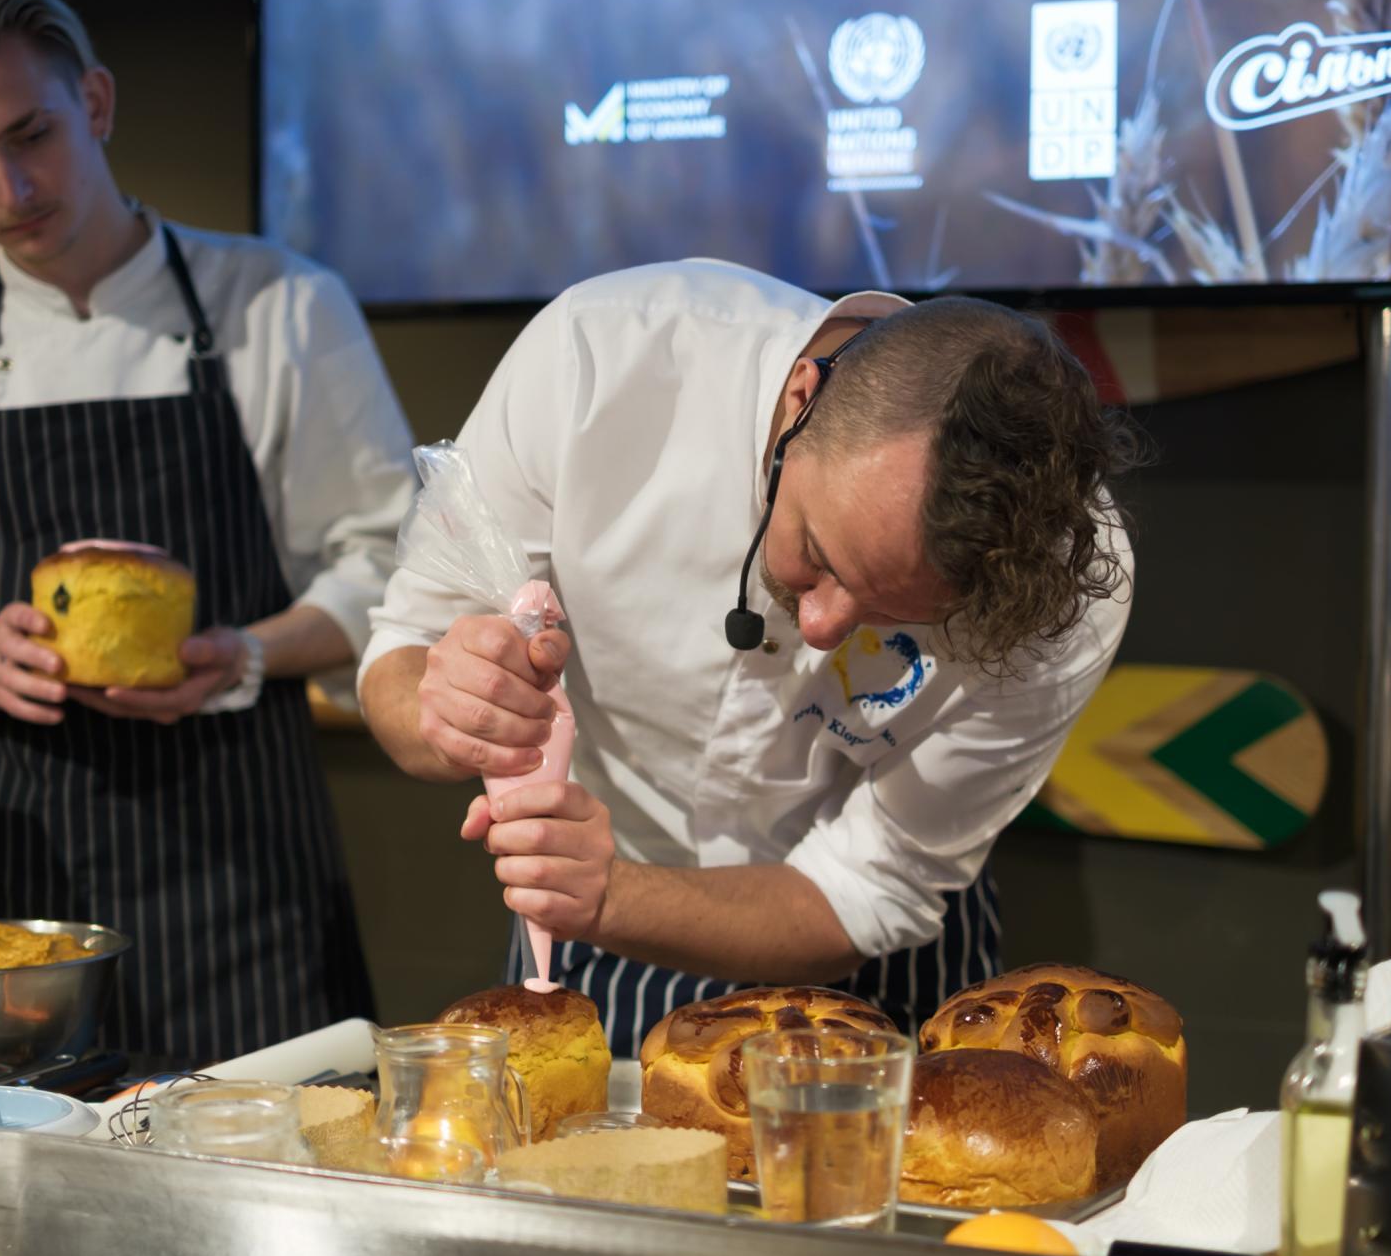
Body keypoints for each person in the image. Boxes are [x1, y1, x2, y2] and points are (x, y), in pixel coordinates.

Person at [0, 0, 416, 1062]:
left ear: (94, 102)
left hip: (246, 863)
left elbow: (389, 564)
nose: (9, 187)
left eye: (30, 135)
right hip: (16, 896)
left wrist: (241, 651)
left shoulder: (280, 306)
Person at [359, 259, 1139, 1053]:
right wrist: (451, 706)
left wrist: (613, 896)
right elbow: (400, 657)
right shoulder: (596, 360)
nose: (827, 625)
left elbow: (868, 884)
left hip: (861, 967)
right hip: (590, 909)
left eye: (894, 615)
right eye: (819, 554)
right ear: (803, 399)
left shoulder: (1064, 588)